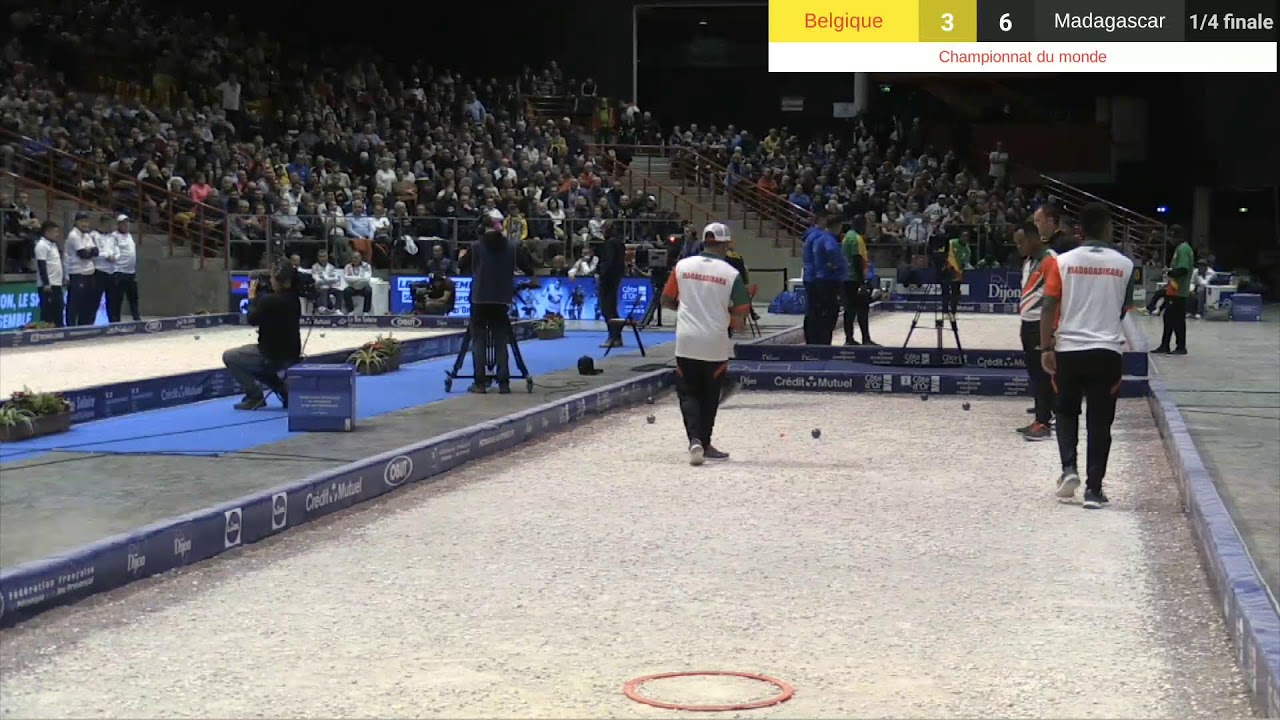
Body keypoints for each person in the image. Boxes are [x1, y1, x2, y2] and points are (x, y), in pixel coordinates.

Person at [1039, 202, 1136, 509]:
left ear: (1080, 230)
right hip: (1106, 352)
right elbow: (1123, 309)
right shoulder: (1125, 265)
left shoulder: (1062, 262)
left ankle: (1069, 469)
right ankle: (1094, 490)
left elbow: (1049, 306)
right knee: (1100, 422)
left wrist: (1046, 347)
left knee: (1066, 412)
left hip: (1069, 350)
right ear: (1108, 228)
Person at [660, 222, 752, 466]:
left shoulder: (682, 266)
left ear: (704, 241)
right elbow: (741, 314)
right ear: (726, 244)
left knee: (688, 392)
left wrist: (688, 310)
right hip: (715, 341)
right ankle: (706, 441)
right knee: (710, 394)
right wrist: (725, 315)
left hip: (687, 339)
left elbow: (666, 300)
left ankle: (694, 441)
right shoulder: (731, 274)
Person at [458, 213, 536, 393]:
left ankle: (480, 382)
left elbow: (461, 266)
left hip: (480, 299)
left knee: (479, 340)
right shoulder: (512, 246)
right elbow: (529, 268)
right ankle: (503, 383)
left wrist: (464, 256)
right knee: (501, 340)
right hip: (502, 298)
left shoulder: (476, 246)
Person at [222, 261, 302, 410]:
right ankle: (283, 391)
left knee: (230, 356)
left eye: (271, 277)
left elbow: (252, 319)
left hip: (270, 355)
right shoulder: (293, 299)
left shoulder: (270, 300)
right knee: (258, 360)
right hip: (291, 354)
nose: (269, 280)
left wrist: (252, 298)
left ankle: (254, 396)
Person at [1015, 221, 1056, 440]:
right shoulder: (1029, 262)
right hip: (1028, 323)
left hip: (1041, 324)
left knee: (1043, 374)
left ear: (1033, 238)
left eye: (1021, 242)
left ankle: (1044, 422)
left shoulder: (1051, 260)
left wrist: (1051, 330)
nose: (1018, 247)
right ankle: (1042, 417)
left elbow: (1056, 296)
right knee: (1035, 373)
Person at [801, 212, 846, 345]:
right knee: (826, 312)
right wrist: (835, 266)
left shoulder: (812, 236)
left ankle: (813, 340)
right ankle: (821, 341)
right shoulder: (824, 237)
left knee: (814, 310)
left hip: (814, 276)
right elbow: (830, 251)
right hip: (824, 278)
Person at [1154, 226, 1194, 355]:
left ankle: (1180, 346)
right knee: (1169, 318)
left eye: (1171, 237)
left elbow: (1183, 269)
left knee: (1176, 320)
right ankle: (1165, 345)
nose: (1170, 240)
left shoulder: (1183, 249)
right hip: (1174, 290)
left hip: (1179, 291)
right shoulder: (1181, 248)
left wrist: (1169, 271)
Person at [840, 216, 874, 345]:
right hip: (854, 279)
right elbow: (857, 259)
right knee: (862, 310)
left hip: (846, 278)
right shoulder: (856, 239)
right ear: (861, 224)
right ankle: (865, 339)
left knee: (849, 310)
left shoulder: (847, 236)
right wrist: (862, 282)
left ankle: (849, 338)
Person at [63, 212, 99, 325]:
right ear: (76, 222)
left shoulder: (87, 235)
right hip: (77, 273)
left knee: (87, 302)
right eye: (83, 221)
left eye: (87, 221)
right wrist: (89, 251)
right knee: (75, 303)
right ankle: (71, 326)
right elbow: (83, 254)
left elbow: (96, 251)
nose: (85, 224)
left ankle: (84, 325)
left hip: (89, 272)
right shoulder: (73, 235)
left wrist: (90, 251)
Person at [598, 230, 626, 348]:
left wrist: (600, 273)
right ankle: (616, 337)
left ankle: (613, 337)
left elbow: (609, 262)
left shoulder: (610, 243)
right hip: (615, 278)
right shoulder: (620, 243)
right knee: (612, 309)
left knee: (607, 309)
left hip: (608, 280)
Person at [108, 215, 140, 322]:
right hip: (119, 272)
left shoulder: (129, 235)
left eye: (127, 222)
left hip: (131, 273)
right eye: (123, 223)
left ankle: (137, 320)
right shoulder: (114, 236)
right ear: (118, 224)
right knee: (117, 300)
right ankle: (115, 322)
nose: (126, 225)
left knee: (133, 298)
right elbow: (110, 251)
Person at [34, 220, 65, 327]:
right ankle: (45, 334)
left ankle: (59, 331)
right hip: (48, 285)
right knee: (47, 312)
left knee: (59, 309)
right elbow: (41, 266)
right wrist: (46, 283)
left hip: (56, 283)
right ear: (47, 232)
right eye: (55, 232)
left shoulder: (53, 244)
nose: (57, 234)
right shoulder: (41, 245)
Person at [90, 214, 117, 322]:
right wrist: (106, 256)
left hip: (111, 270)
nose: (113, 226)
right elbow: (94, 252)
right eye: (111, 223)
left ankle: (113, 323)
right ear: (104, 223)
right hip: (99, 270)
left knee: (112, 300)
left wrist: (115, 257)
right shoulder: (93, 235)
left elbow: (116, 250)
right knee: (95, 299)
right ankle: (90, 323)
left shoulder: (112, 236)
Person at [939, 232, 970, 315]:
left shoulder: (967, 250)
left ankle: (953, 312)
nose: (965, 239)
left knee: (955, 293)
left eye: (967, 237)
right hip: (946, 270)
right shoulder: (951, 243)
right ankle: (944, 311)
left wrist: (959, 270)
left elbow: (964, 263)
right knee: (945, 291)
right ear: (959, 237)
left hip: (957, 274)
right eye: (964, 237)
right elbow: (942, 253)